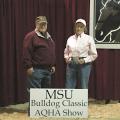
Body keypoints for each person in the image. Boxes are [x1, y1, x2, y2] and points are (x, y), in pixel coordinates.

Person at [23, 16, 55, 114]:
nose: (43, 26)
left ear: (47, 24)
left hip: (47, 69)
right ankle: (33, 113)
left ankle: (43, 112)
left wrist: (53, 65)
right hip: (36, 69)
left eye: (44, 24)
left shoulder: (49, 37)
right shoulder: (31, 36)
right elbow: (26, 52)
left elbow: (51, 52)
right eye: (40, 24)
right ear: (36, 25)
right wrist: (28, 66)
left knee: (45, 93)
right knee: (34, 93)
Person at [64, 18, 98, 89]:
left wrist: (85, 60)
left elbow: (94, 54)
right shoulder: (70, 38)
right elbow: (66, 52)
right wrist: (67, 58)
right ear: (75, 27)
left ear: (84, 28)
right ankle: (70, 100)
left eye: (81, 26)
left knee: (83, 85)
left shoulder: (89, 39)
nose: (79, 28)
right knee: (69, 85)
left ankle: (83, 100)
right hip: (71, 63)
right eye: (77, 26)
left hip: (84, 64)